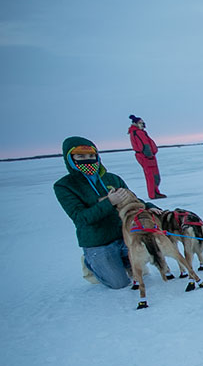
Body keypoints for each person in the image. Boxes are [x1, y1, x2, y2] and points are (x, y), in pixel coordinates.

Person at [54, 136, 142, 289]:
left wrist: (153, 208)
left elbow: (134, 200)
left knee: (145, 266)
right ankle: (91, 263)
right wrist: (110, 202)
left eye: (90, 155)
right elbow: (81, 218)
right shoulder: (65, 186)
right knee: (119, 283)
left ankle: (123, 260)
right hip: (98, 241)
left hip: (124, 235)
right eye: (80, 156)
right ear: (70, 158)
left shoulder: (112, 179)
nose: (87, 160)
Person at [128, 114, 166, 199]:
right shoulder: (138, 133)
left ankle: (156, 192)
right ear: (136, 124)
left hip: (147, 156)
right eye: (141, 123)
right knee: (151, 176)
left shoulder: (138, 132)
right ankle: (153, 194)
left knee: (154, 175)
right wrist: (149, 155)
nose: (143, 124)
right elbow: (144, 145)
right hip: (146, 157)